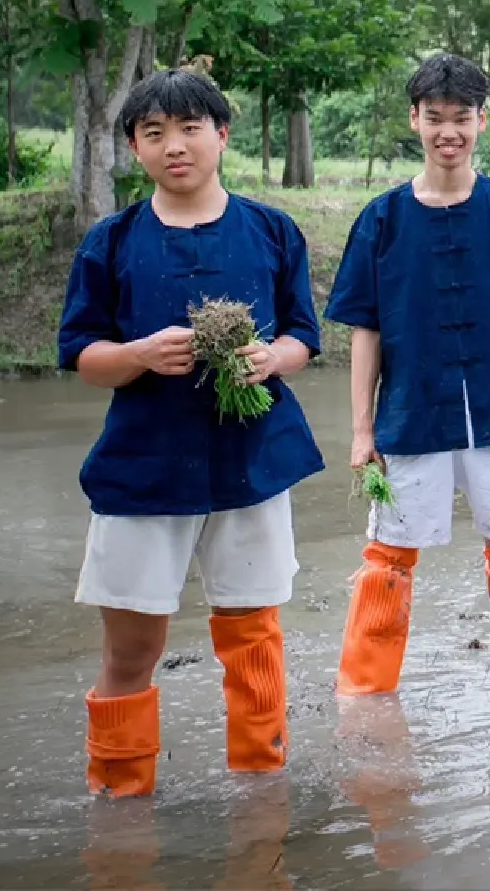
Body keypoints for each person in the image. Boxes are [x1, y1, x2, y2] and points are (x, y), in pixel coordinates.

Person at [59, 68, 323, 796]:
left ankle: (261, 792)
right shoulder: (110, 242)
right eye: (154, 134)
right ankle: (118, 800)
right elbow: (83, 357)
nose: (174, 146)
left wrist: (272, 357)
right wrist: (139, 353)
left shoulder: (272, 230)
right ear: (134, 148)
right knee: (132, 644)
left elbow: (304, 334)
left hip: (250, 463)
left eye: (189, 129)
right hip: (143, 468)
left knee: (253, 637)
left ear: (222, 135)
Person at [326, 53, 490, 694]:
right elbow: (366, 332)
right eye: (435, 118)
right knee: (388, 560)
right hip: (411, 413)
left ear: (482, 121)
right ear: (415, 120)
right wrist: (361, 431)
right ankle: (365, 691)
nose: (448, 132)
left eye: (461, 118)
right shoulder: (380, 219)